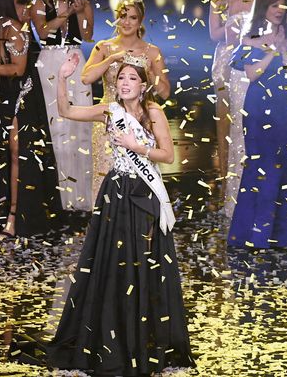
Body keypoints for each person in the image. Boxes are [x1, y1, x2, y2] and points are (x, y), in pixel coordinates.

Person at [46, 53, 194, 375]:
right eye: (121, 78)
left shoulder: (153, 112)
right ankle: (110, 337)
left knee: (141, 263)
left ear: (142, 86)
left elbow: (167, 155)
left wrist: (136, 145)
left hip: (143, 196)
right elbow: (66, 110)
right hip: (115, 194)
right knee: (111, 265)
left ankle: (141, 339)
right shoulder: (109, 111)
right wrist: (62, 77)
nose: (124, 83)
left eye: (131, 79)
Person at [0, 0, 62, 237]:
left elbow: (18, 70)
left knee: (17, 152)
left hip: (20, 96)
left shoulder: (15, 29)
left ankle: (16, 215)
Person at [228, 0, 287, 248]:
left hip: (284, 106)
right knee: (260, 167)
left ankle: (281, 235)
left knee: (281, 165)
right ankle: (254, 235)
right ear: (264, 9)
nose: (279, 11)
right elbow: (252, 74)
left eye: (283, 6)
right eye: (274, 6)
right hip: (259, 107)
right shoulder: (252, 37)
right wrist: (271, 50)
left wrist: (284, 50)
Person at [82, 0, 170, 200]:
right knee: (106, 175)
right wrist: (111, 59)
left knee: (136, 178)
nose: (126, 22)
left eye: (132, 17)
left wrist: (147, 73)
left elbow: (165, 92)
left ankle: (135, 227)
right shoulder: (103, 47)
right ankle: (104, 227)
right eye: (122, 16)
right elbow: (86, 78)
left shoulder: (152, 51)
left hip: (139, 122)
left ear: (140, 21)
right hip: (108, 121)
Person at [31, 0, 95, 211]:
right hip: (49, 63)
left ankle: (80, 198)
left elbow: (88, 36)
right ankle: (57, 196)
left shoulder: (84, 4)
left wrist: (78, 13)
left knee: (78, 125)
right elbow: (44, 32)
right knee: (54, 122)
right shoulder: (40, 5)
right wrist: (66, 13)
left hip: (76, 63)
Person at [223, 0, 271, 217]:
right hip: (242, 74)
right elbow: (235, 45)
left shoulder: (277, 4)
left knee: (266, 134)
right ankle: (238, 203)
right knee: (241, 133)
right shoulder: (237, 2)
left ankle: (263, 201)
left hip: (270, 73)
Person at [209, 0, 253, 180]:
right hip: (226, 62)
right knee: (227, 121)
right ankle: (228, 185)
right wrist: (231, 31)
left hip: (252, 62)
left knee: (248, 120)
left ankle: (248, 180)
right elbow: (213, 33)